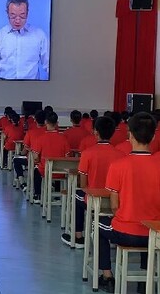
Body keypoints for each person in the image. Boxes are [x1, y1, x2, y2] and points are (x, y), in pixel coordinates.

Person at [98, 112, 160, 293]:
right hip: (154, 233)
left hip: (125, 231)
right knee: (148, 229)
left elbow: (115, 206)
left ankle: (107, 276)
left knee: (98, 226)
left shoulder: (118, 165)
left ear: (129, 134)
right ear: (154, 136)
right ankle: (144, 281)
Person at [61, 116, 125, 249]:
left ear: (96, 132)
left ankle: (78, 236)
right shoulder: (121, 155)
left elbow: (83, 185)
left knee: (76, 195)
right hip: (116, 202)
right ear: (112, 132)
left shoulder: (87, 153)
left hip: (93, 200)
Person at [0, 0, 49, 80]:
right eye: (13, 16)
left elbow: (49, 65)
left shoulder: (39, 35)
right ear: (7, 13)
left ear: (27, 13)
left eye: (22, 16)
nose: (17, 20)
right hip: (4, 87)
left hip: (33, 88)